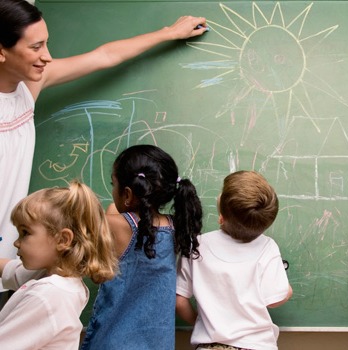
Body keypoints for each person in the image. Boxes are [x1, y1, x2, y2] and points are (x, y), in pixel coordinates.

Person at [0, 0, 207, 292]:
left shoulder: (27, 87)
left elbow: (104, 55)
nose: (46, 56)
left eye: (46, 44)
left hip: (15, 250)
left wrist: (168, 33)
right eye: (36, 47)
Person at [80, 144, 203, 350]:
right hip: (158, 344)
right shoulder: (176, 226)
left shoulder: (116, 225)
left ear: (127, 194)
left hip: (113, 342)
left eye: (113, 184)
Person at [176, 170, 293, 350]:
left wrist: (201, 323)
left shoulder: (197, 245)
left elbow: (179, 300)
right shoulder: (268, 247)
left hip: (210, 345)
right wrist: (287, 291)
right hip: (257, 345)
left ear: (222, 217)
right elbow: (274, 299)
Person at [0, 181, 117, 349]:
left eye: (25, 233)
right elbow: (10, 269)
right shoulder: (60, 280)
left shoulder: (47, 295)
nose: (17, 243)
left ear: (63, 240)